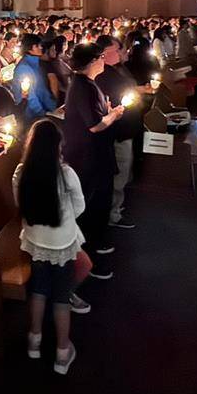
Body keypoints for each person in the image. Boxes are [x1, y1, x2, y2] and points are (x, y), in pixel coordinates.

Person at [14, 120, 91, 375]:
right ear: (56, 146)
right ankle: (62, 352)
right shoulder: (66, 174)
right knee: (60, 297)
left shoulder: (21, 172)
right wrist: (65, 219)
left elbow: (19, 204)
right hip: (62, 244)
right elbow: (80, 207)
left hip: (35, 241)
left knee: (38, 290)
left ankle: (34, 341)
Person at [63, 43, 124, 280]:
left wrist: (106, 110)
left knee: (98, 200)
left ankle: (95, 242)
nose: (103, 61)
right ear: (91, 62)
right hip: (87, 156)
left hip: (93, 153)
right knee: (89, 202)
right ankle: (87, 258)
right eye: (100, 57)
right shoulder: (82, 87)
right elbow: (94, 125)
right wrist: (114, 114)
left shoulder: (86, 84)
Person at [94, 35, 140, 231]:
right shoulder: (101, 76)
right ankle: (113, 214)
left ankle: (115, 208)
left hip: (124, 129)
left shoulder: (115, 70)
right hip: (117, 132)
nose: (121, 52)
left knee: (122, 172)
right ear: (104, 53)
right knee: (118, 174)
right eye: (117, 49)